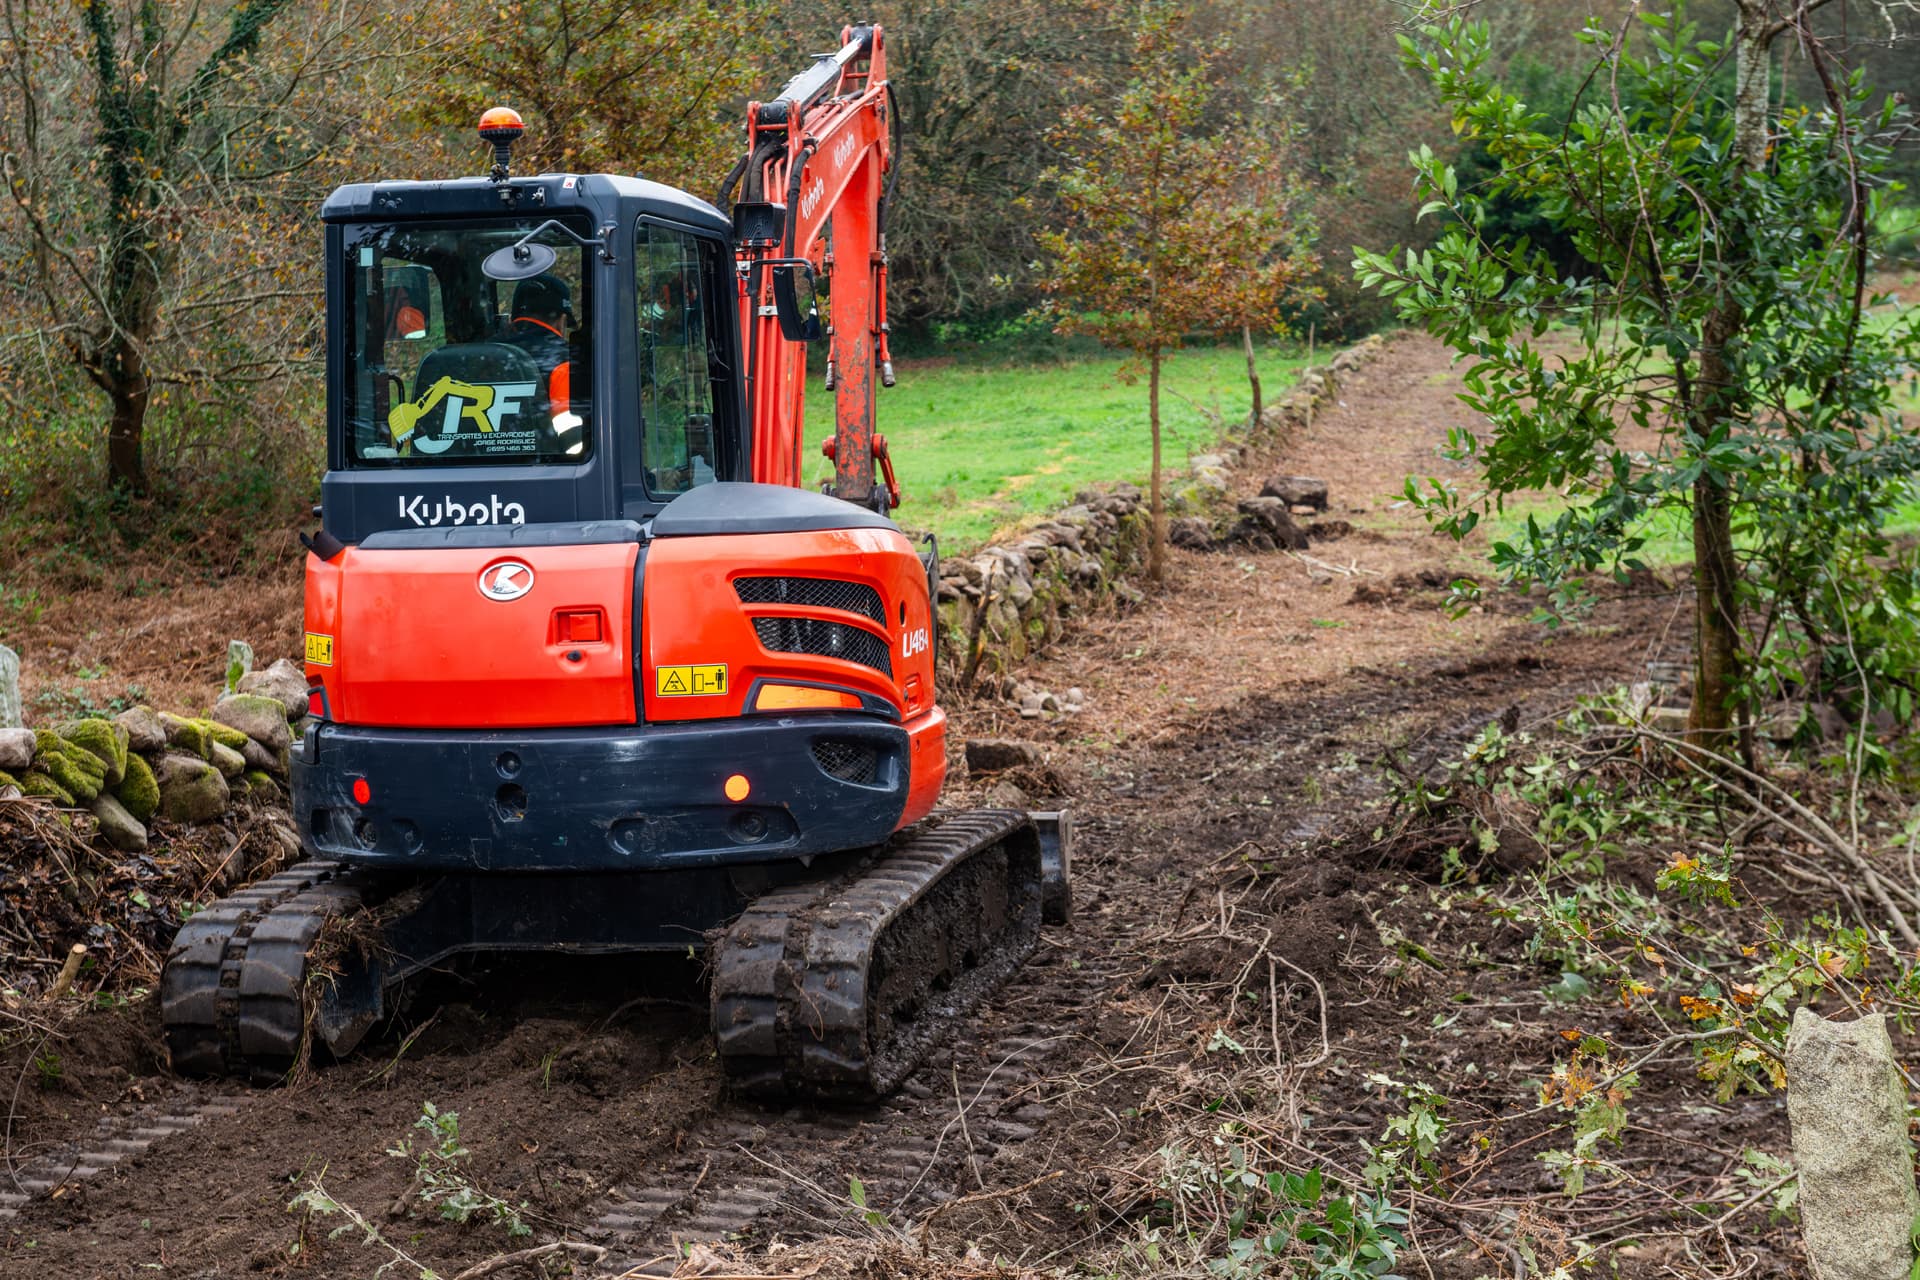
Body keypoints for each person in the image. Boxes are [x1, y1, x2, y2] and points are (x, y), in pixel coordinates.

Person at [502, 273, 584, 454]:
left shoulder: (482, 354)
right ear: (562, 322)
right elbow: (574, 447)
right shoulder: (564, 361)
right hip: (541, 474)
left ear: (510, 320)